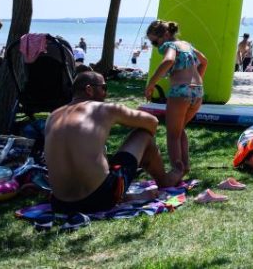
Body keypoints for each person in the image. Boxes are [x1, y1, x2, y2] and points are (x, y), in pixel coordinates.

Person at [45, 71, 183, 213]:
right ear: (89, 90)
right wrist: (142, 155)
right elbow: (152, 122)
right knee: (143, 135)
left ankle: (123, 191)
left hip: (60, 203)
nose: (106, 93)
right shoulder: (105, 109)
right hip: (99, 199)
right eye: (104, 88)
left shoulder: (53, 116)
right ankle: (164, 180)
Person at [144, 19, 207, 180]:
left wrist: (151, 84)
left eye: (155, 42)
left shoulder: (170, 46)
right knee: (179, 130)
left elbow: (169, 60)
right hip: (197, 92)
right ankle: (184, 167)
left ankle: (176, 172)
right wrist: (196, 81)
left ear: (165, 35)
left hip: (180, 92)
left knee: (172, 135)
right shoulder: (187, 45)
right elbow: (204, 61)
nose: (155, 46)